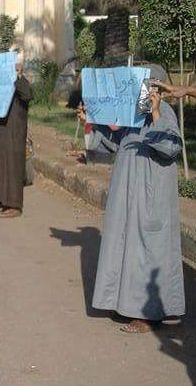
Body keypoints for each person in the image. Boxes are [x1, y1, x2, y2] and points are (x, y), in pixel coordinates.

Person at [78, 84, 185, 333]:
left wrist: (155, 112)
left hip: (151, 192)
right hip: (126, 190)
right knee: (125, 244)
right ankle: (125, 304)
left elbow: (171, 148)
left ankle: (147, 314)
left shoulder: (165, 111)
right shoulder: (132, 114)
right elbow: (115, 143)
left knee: (148, 250)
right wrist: (91, 121)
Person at [0, 63, 33, 218]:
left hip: (14, 130)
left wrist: (18, 77)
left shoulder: (20, 82)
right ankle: (0, 199)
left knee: (13, 166)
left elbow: (27, 95)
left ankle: (14, 205)